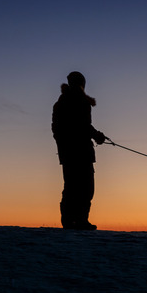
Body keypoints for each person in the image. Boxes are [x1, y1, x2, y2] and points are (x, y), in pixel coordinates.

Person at [51, 71, 106, 230]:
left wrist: (95, 135)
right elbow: (82, 126)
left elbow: (59, 129)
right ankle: (74, 221)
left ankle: (76, 220)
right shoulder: (75, 102)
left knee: (79, 187)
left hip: (74, 152)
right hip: (76, 152)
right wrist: (97, 136)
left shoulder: (66, 103)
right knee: (79, 187)